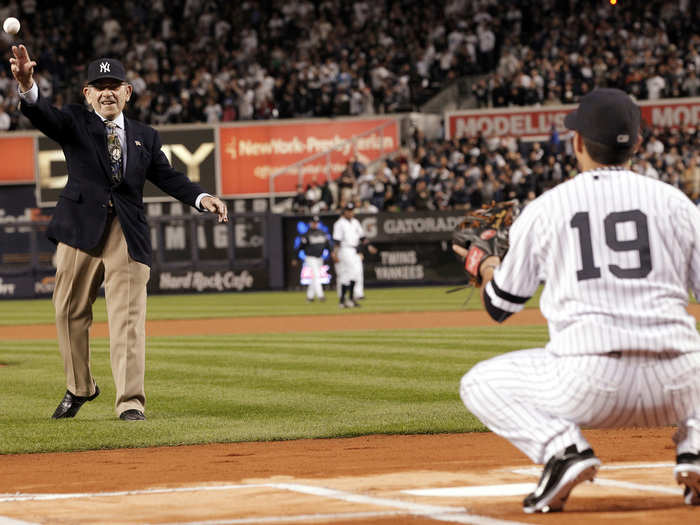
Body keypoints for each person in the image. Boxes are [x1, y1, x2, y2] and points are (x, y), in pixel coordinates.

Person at [453, 88, 700, 513]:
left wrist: (486, 264)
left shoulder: (548, 208)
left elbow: (500, 306)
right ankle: (695, 444)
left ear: (578, 143)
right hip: (680, 382)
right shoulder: (677, 204)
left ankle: (563, 450)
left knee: (479, 382)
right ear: (638, 143)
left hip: (589, 383)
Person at [10, 45, 228, 421]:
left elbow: (169, 177)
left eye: (115, 85)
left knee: (127, 318)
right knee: (67, 312)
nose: (107, 92)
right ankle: (81, 387)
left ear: (128, 92)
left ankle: (130, 402)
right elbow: (43, 115)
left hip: (126, 233)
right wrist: (28, 87)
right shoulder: (75, 121)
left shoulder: (146, 136)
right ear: (87, 94)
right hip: (79, 230)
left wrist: (202, 196)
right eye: (99, 85)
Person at [332, 202, 375, 308]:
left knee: (355, 274)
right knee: (348, 274)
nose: (350, 213)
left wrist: (369, 246)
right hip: (345, 249)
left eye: (352, 211)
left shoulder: (355, 222)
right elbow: (337, 241)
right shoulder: (339, 224)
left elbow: (362, 237)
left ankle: (350, 299)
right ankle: (343, 300)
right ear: (344, 211)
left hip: (354, 250)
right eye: (348, 211)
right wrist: (335, 254)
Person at [298, 215, 331, 302]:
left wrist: (332, 253)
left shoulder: (322, 234)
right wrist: (295, 257)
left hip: (320, 258)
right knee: (316, 275)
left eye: (317, 223)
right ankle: (321, 296)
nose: (315, 224)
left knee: (314, 277)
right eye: (314, 223)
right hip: (310, 258)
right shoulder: (306, 234)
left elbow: (328, 246)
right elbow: (300, 247)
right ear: (310, 223)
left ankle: (310, 297)